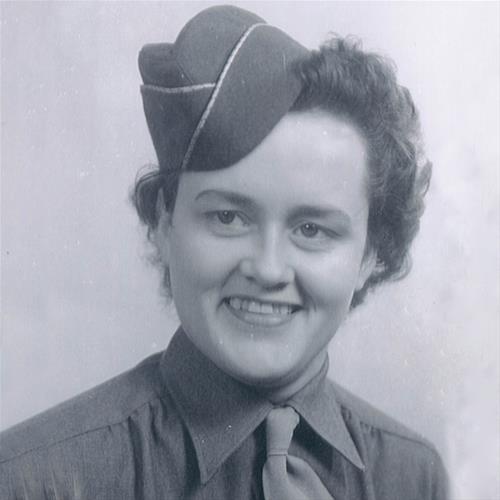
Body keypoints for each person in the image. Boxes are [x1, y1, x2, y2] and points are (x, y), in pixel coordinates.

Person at [0, 5, 448, 499]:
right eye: (228, 218)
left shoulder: (413, 476)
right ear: (165, 224)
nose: (268, 268)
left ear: (371, 255)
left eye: (312, 229)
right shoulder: (30, 480)